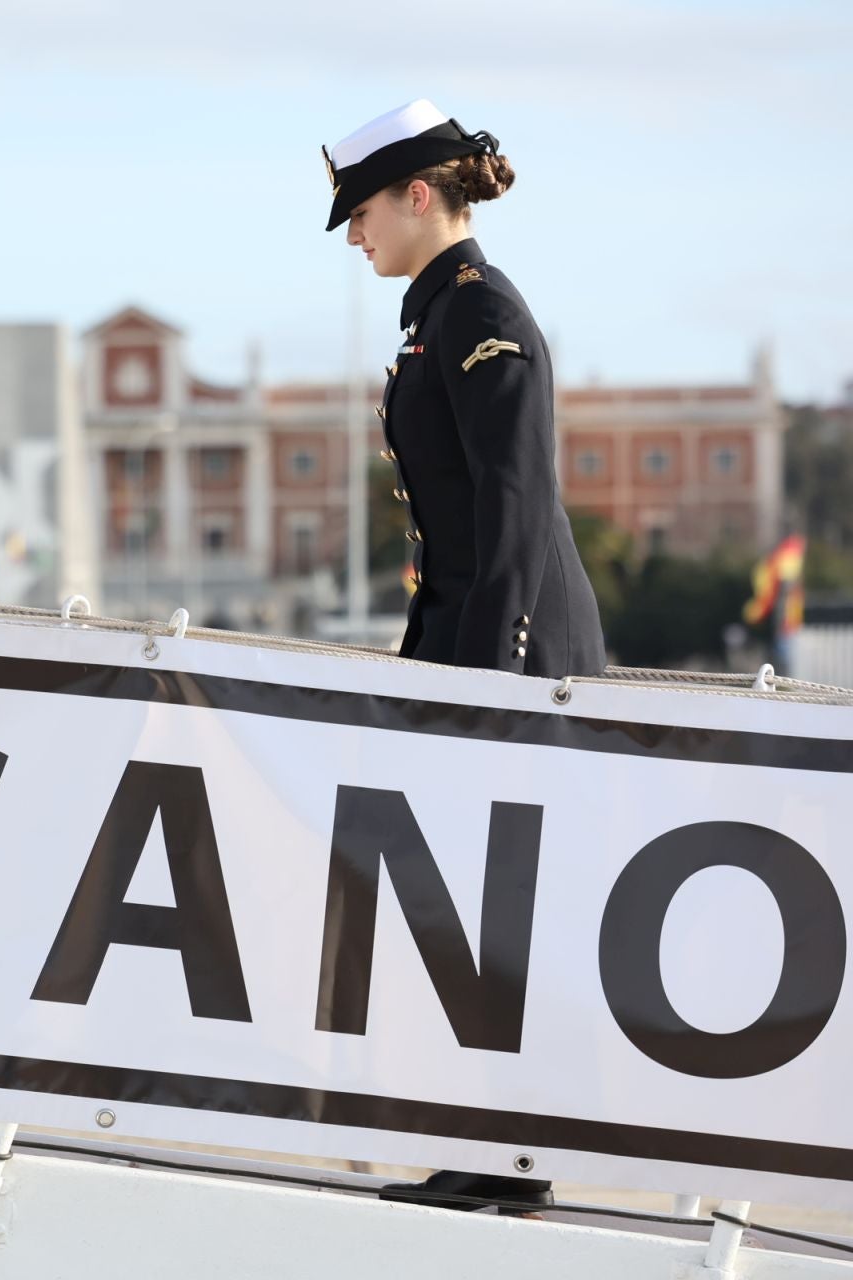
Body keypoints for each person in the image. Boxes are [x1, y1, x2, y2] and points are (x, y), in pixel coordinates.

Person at [322, 100, 608, 1213]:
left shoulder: (484, 315)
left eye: (362, 213)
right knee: (462, 916)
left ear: (420, 197)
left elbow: (515, 518)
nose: (355, 236)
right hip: (470, 649)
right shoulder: (434, 317)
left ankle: (512, 1154)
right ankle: (484, 1142)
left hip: (520, 655)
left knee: (508, 916)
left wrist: (485, 684)